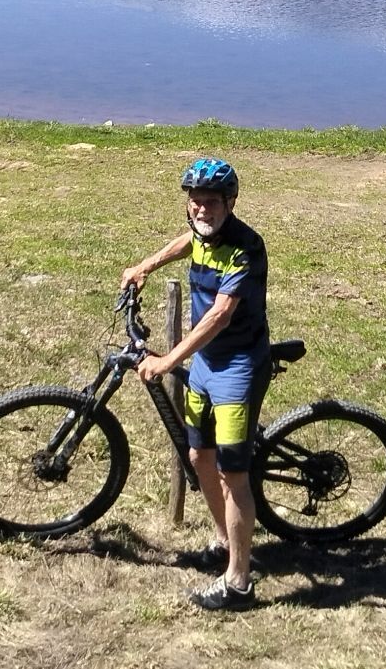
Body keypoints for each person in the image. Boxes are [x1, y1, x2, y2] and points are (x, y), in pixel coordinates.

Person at [120, 157, 269, 612]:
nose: (202, 209)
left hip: (237, 369)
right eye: (195, 201)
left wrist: (168, 360)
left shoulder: (245, 247)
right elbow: (189, 242)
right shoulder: (203, 233)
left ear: (230, 203)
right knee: (198, 455)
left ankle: (239, 582)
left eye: (211, 202)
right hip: (204, 363)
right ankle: (225, 541)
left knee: (232, 474)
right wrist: (146, 265)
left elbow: (220, 315)